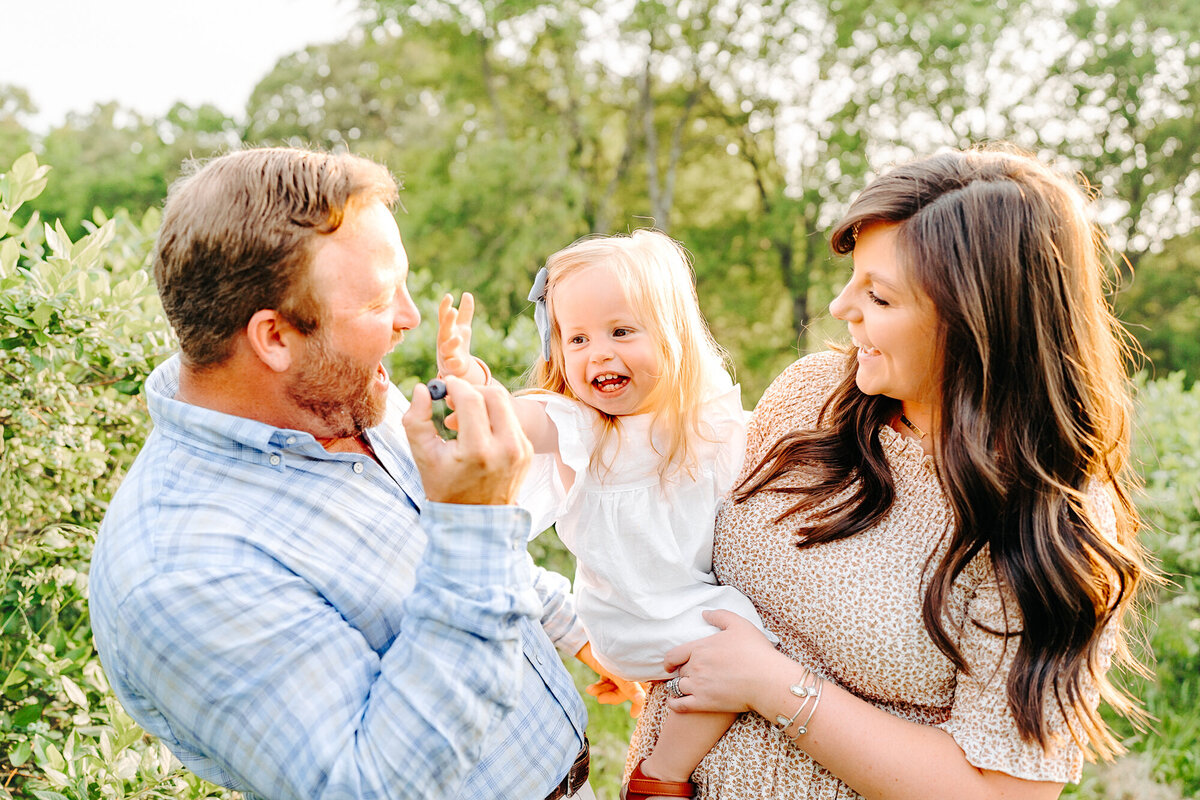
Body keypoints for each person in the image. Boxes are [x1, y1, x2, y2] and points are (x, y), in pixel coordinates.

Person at [88, 147, 625, 800]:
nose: (409, 317)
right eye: (377, 301)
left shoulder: (341, 395)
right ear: (275, 338)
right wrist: (478, 519)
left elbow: (447, 564)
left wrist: (583, 633)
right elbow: (371, 785)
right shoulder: (180, 569)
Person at [624, 145, 1153, 799]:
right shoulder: (811, 394)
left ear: (977, 322)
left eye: (878, 295)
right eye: (853, 278)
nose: (844, 306)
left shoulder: (1048, 522)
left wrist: (771, 684)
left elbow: (1004, 793)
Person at [436, 230, 776, 800]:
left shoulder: (701, 422)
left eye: (621, 332)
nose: (598, 353)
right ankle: (662, 773)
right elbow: (519, 420)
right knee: (749, 641)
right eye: (577, 338)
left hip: (661, 611)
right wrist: (473, 386)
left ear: (673, 336)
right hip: (635, 620)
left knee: (743, 633)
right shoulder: (584, 428)